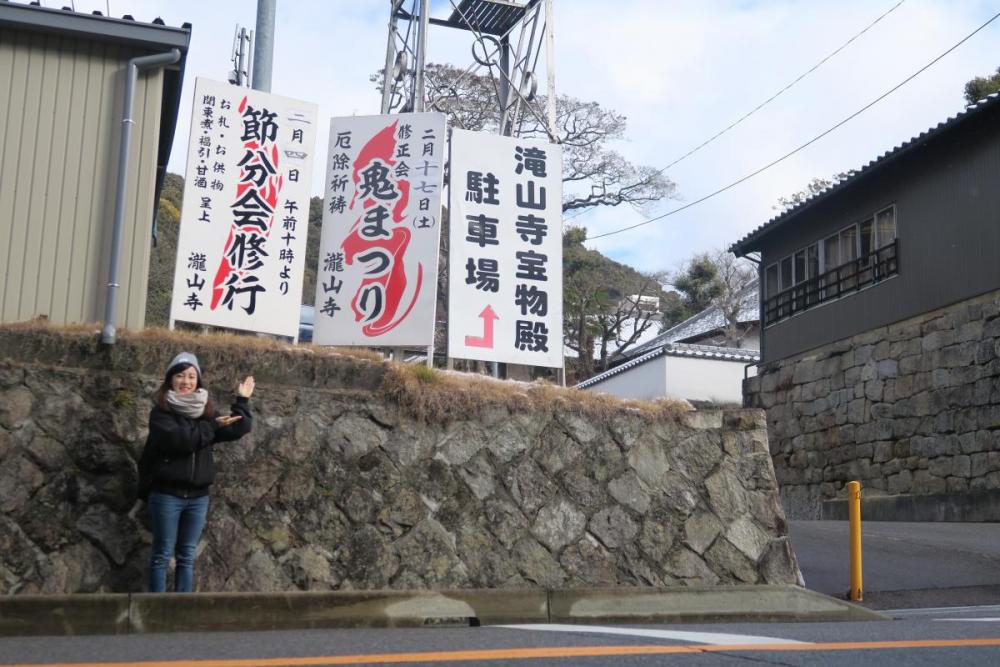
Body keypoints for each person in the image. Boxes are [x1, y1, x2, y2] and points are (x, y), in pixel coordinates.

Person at [138, 352, 255, 593]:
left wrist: (241, 402)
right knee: (162, 554)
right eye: (180, 375)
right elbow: (181, 440)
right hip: (166, 496)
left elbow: (239, 428)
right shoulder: (161, 414)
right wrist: (212, 426)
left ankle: (183, 611)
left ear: (198, 382)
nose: (186, 381)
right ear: (170, 380)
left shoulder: (205, 413)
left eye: (192, 376)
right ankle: (154, 611)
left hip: (198, 498)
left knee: (187, 556)